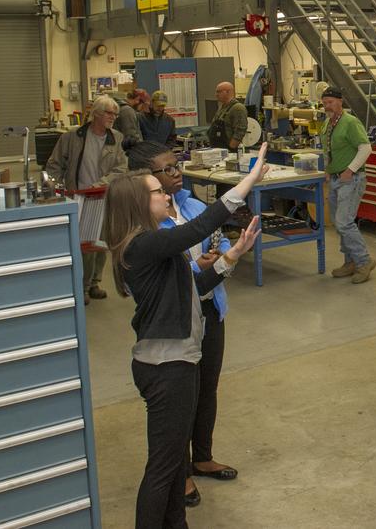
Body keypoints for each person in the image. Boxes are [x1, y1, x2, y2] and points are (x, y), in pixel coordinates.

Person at [104, 142, 270, 529]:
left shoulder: (154, 246)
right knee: (163, 470)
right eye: (157, 191)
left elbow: (194, 286)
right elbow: (200, 226)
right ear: (139, 204)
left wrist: (232, 256)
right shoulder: (144, 243)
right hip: (166, 367)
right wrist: (248, 180)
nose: (166, 193)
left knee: (173, 463)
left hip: (180, 360)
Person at [128, 142, 237, 509]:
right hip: (177, 321)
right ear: (146, 182)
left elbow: (208, 242)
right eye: (166, 171)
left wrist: (220, 258)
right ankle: (181, 474)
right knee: (180, 403)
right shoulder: (148, 228)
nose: (176, 174)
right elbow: (173, 272)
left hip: (209, 308)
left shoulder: (192, 205)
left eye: (177, 167)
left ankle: (201, 456)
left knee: (207, 387)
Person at [46, 94, 128, 303]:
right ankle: (82, 287)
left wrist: (102, 183)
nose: (113, 117)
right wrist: (57, 188)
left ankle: (95, 283)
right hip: (78, 197)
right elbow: (54, 165)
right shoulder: (73, 137)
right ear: (96, 114)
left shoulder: (116, 138)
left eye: (115, 114)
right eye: (109, 113)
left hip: (104, 196)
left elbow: (121, 168)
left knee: (101, 243)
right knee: (85, 246)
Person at [320, 87, 375, 284]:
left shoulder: (350, 122)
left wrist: (350, 169)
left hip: (351, 179)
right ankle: (350, 261)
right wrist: (327, 169)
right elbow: (327, 150)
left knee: (344, 222)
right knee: (339, 222)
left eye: (331, 102)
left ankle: (364, 261)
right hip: (335, 179)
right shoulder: (327, 124)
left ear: (340, 101)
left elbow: (366, 148)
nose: (328, 106)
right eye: (325, 102)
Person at [206, 81, 247, 152]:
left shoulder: (238, 108)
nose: (216, 94)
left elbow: (240, 130)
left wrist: (231, 148)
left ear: (227, 92)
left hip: (228, 151)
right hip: (217, 150)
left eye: (218, 92)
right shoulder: (223, 107)